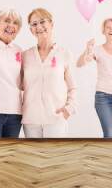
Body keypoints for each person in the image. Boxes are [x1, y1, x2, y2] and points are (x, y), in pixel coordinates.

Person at [21, 8, 77, 138]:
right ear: (31, 30)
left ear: (52, 24)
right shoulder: (25, 55)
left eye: (42, 22)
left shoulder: (64, 53)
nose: (39, 26)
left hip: (56, 119)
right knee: (34, 157)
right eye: (34, 24)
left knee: (54, 157)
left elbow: (73, 87)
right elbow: (19, 85)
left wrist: (68, 109)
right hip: (31, 120)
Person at [0, 9, 23, 138]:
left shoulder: (18, 50)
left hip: (15, 112)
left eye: (15, 23)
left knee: (9, 154)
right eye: (6, 21)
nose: (11, 26)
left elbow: (23, 81)